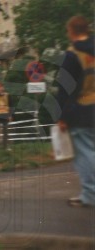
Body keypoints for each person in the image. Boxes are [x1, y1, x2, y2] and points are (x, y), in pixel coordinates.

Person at [57, 16, 95, 207]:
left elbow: (64, 89)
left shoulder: (73, 55)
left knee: (85, 153)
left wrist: (62, 116)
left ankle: (90, 195)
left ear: (71, 31)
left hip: (82, 110)